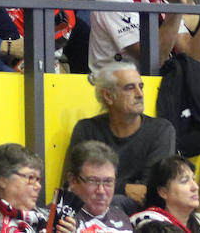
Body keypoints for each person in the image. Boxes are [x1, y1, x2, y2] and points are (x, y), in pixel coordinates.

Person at [69, 64, 176, 206]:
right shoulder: (86, 129)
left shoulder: (161, 130)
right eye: (130, 88)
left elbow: (151, 191)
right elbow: (75, 184)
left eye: (141, 86)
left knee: (117, 202)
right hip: (92, 208)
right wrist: (125, 188)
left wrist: (108, 185)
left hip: (142, 213)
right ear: (108, 96)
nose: (140, 94)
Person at [60, 140, 132, 233]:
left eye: (108, 182)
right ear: (73, 181)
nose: (101, 191)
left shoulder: (122, 218)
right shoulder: (58, 218)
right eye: (93, 181)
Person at [131, 155, 200, 233]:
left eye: (194, 179)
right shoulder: (150, 225)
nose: (195, 187)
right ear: (163, 192)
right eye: (184, 181)